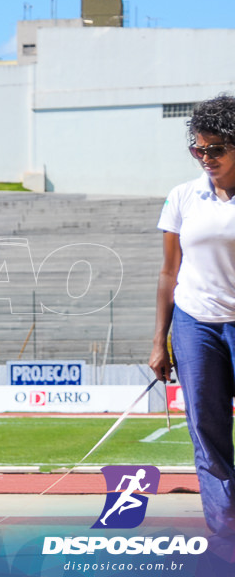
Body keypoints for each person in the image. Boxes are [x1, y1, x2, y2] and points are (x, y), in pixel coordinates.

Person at [151, 94, 235, 547]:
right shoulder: (183, 197)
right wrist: (158, 341)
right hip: (195, 324)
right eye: (198, 150)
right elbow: (168, 271)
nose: (206, 158)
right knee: (207, 428)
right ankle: (225, 535)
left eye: (216, 149)